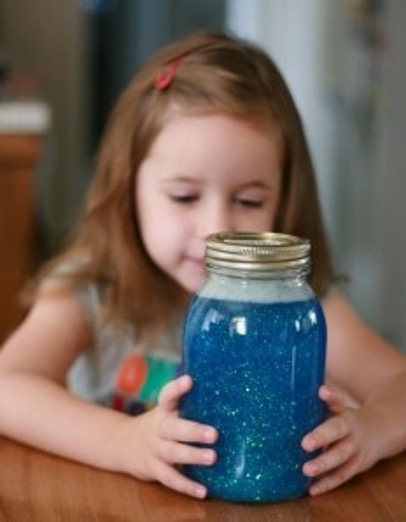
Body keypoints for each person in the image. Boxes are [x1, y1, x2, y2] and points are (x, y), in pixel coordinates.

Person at [0, 30, 405, 501]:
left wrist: (374, 426)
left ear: (285, 199)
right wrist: (121, 441)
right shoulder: (90, 288)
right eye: (184, 196)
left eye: (249, 200)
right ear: (128, 189)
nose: (217, 228)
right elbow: (8, 387)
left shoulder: (299, 303)